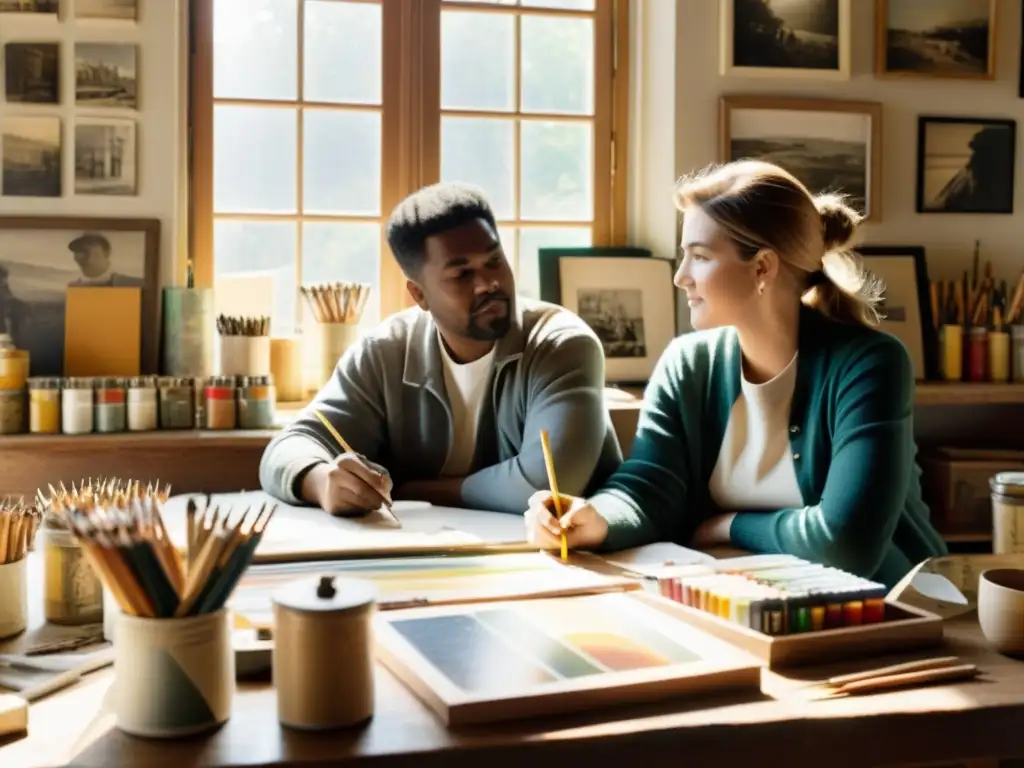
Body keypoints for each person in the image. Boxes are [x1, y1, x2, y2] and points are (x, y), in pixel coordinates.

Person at [524, 160, 948, 588]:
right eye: (683, 256)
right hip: (751, 597)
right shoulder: (687, 363)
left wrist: (728, 526)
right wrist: (594, 517)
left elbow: (845, 544)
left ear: (762, 268)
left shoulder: (870, 364)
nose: (680, 277)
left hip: (895, 607)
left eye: (700, 257)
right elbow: (649, 487)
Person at [259, 181, 622, 516]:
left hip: (569, 559)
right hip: (427, 558)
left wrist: (415, 490)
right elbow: (288, 447)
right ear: (419, 294)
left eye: (494, 261)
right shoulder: (384, 352)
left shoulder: (562, 345)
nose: (488, 283)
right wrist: (321, 481)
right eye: (461, 274)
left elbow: (548, 485)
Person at [67, 233, 144, 287]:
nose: (80, 258)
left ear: (107, 253)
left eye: (87, 251)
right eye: (79, 252)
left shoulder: (132, 284)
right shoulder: (76, 287)